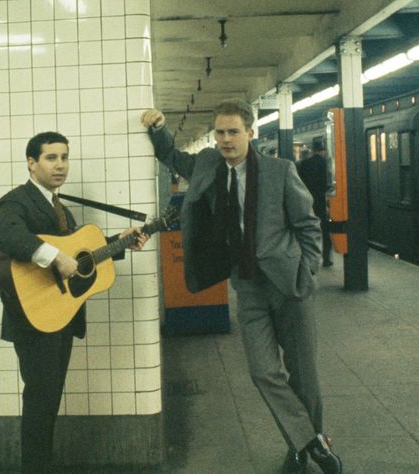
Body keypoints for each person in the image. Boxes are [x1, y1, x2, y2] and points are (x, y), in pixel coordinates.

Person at [141, 100, 342, 474]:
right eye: (220, 132)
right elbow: (170, 154)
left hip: (288, 284)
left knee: (303, 373)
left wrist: (307, 272)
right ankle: (313, 441)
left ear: (251, 133)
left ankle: (298, 449)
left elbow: (308, 225)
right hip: (247, 286)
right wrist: (157, 127)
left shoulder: (280, 171)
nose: (225, 139)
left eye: (233, 132)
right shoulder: (207, 165)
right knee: (262, 371)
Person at [0, 131, 149, 474]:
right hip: (33, 320)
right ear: (32, 164)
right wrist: (51, 256)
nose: (60, 164)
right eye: (51, 158)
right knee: (40, 401)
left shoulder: (58, 205)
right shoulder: (17, 200)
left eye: (64, 157)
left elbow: (80, 259)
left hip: (60, 317)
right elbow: (5, 234)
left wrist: (117, 243)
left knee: (48, 401)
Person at [296, 141, 333, 267]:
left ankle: (307, 259)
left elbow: (299, 183)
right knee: (325, 231)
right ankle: (326, 258)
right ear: (321, 150)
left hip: (306, 202)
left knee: (307, 231)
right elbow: (328, 183)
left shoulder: (304, 164)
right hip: (321, 202)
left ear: (313, 150)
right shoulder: (325, 163)